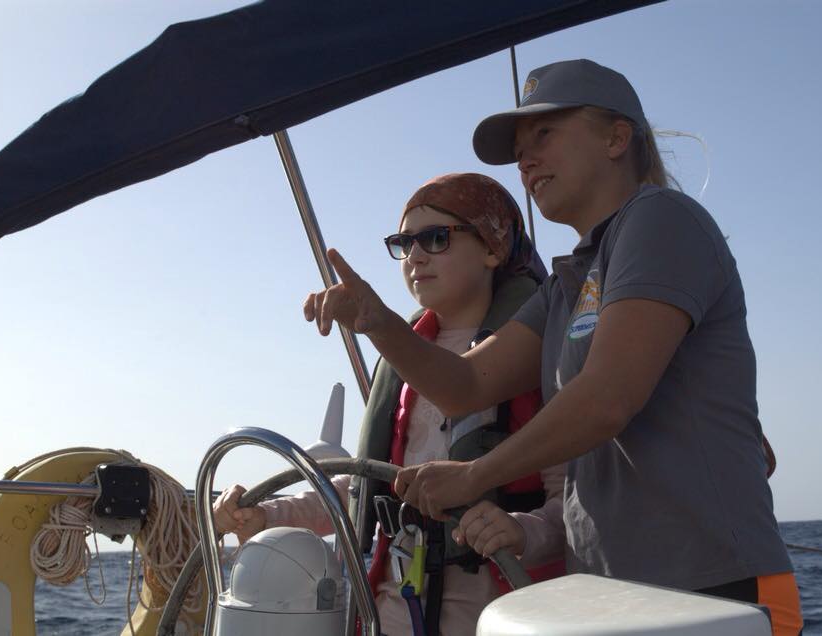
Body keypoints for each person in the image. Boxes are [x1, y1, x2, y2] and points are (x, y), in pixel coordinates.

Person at [303, 60, 804, 634]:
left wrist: (474, 475)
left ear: (617, 138)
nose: (525, 160)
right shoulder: (568, 284)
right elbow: (465, 385)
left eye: (544, 134)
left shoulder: (662, 219)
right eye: (520, 150)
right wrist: (379, 323)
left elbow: (607, 398)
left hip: (715, 590)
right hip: (608, 597)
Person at [216, 172, 565, 635]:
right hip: (392, 613)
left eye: (436, 238)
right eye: (404, 242)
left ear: (492, 248)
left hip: (500, 617)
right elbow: (368, 486)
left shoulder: (536, 356)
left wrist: (521, 530)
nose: (415, 255)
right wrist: (267, 515)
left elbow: (573, 505)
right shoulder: (403, 363)